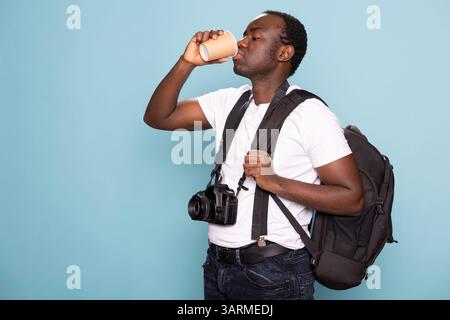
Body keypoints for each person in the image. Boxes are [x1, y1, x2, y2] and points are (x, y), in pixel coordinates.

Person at [143, 10, 364, 300]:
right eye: (244, 35)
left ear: (284, 52)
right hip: (216, 265)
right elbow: (159, 117)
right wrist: (188, 63)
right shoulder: (230, 101)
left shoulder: (311, 114)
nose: (241, 42)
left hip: (275, 272)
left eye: (255, 37)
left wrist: (276, 182)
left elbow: (352, 199)